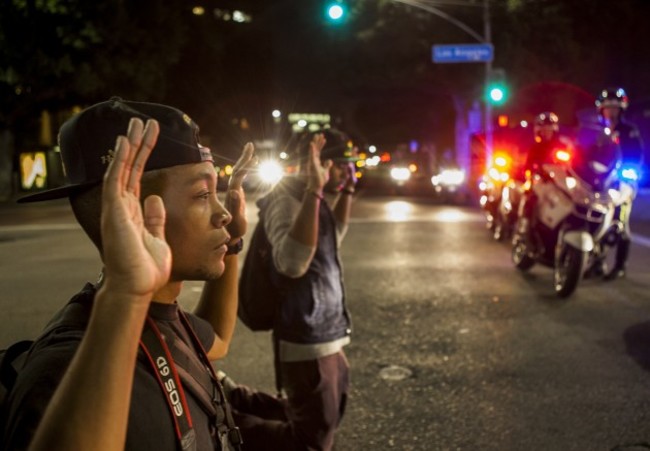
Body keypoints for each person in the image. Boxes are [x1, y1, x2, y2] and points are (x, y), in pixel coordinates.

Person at [1, 97, 255, 450]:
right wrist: (125, 294)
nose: (223, 213)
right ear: (134, 211)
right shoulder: (65, 375)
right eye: (202, 194)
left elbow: (219, 341)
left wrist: (234, 241)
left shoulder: (163, 313)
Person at [222, 128, 357, 450]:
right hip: (304, 334)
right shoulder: (286, 199)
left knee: (323, 416)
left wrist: (346, 191)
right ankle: (227, 426)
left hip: (326, 330)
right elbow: (293, 263)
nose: (346, 170)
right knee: (311, 440)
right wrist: (314, 191)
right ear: (319, 164)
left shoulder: (315, 196)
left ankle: (233, 397)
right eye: (340, 164)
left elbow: (330, 240)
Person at [595, 87, 645, 280]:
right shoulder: (597, 132)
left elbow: (637, 154)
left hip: (622, 183)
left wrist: (629, 172)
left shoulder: (629, 131)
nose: (611, 112)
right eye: (608, 108)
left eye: (615, 108)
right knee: (595, 218)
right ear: (601, 110)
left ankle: (620, 266)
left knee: (620, 223)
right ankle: (596, 262)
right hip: (600, 183)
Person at [516, 112, 568, 237]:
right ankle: (526, 228)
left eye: (549, 128)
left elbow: (571, 164)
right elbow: (527, 167)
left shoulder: (562, 146)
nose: (546, 131)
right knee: (531, 198)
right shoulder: (535, 148)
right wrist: (532, 172)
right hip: (539, 183)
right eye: (543, 128)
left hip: (560, 185)